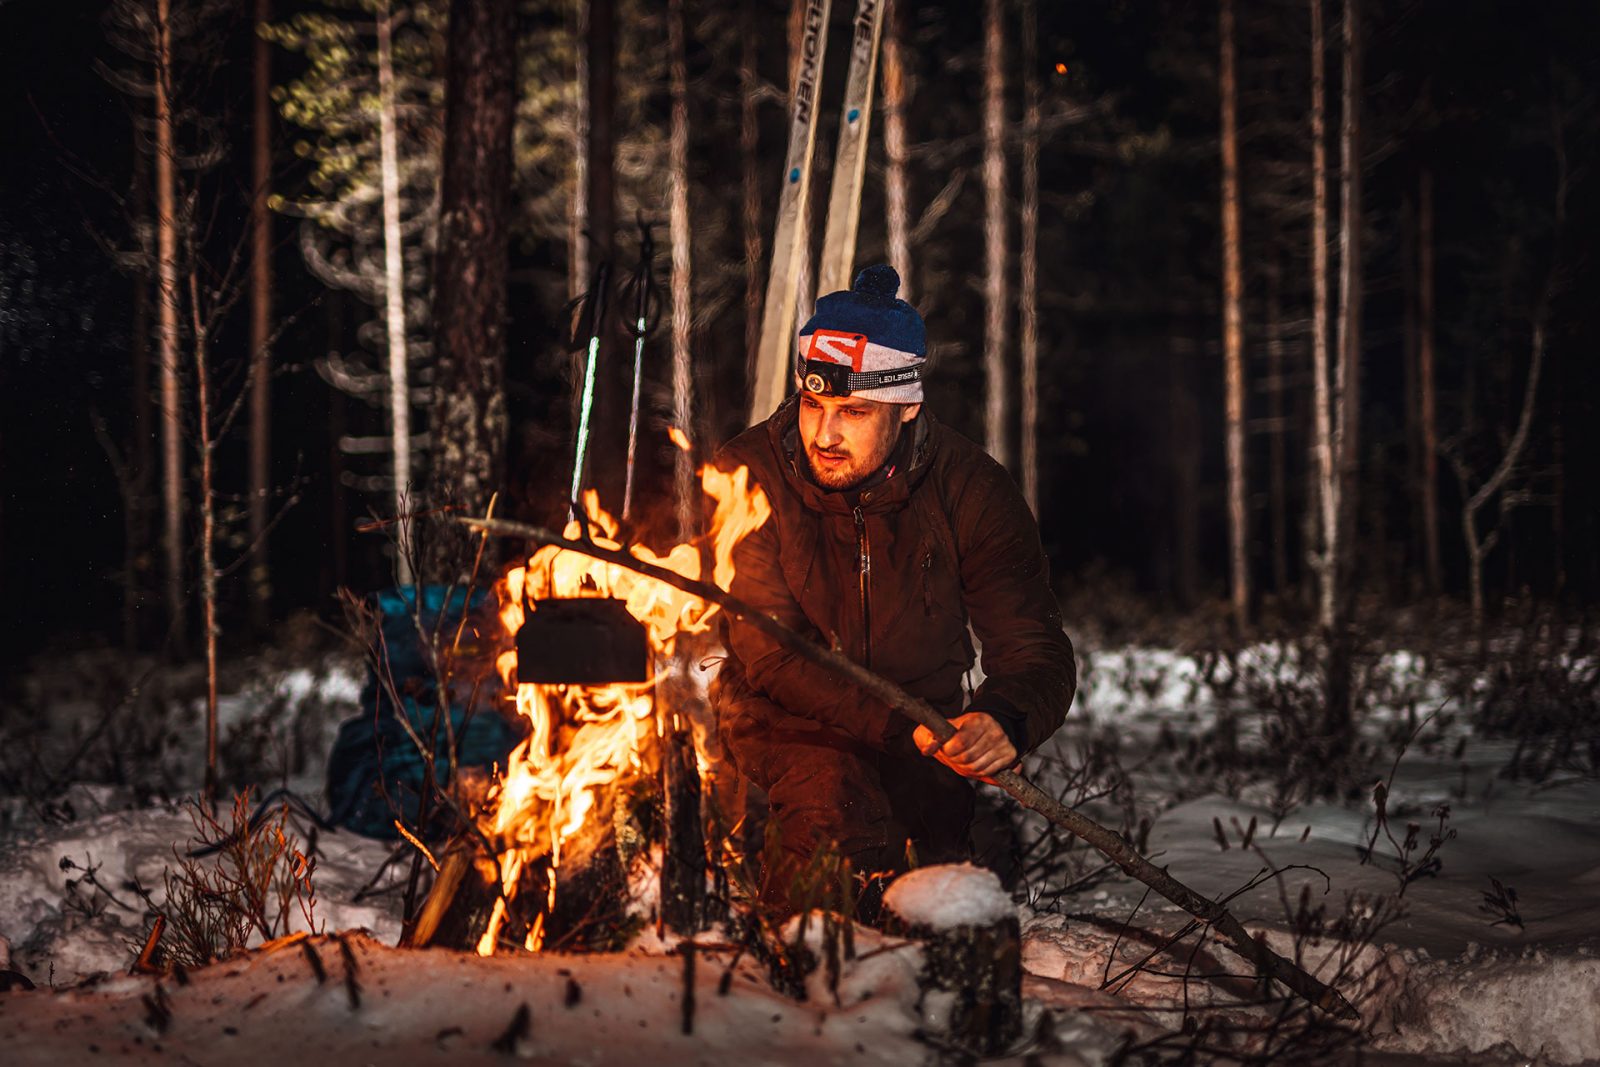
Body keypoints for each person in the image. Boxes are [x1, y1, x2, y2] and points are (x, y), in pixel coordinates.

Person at [712, 263, 1076, 915]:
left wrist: (1005, 720)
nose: (824, 433)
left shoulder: (970, 488)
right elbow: (772, 654)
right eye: (814, 405)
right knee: (830, 801)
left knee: (938, 884)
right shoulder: (747, 473)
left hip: (924, 722)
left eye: (853, 411)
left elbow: (1033, 648)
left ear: (908, 405)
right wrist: (896, 724)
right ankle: (791, 982)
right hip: (776, 717)